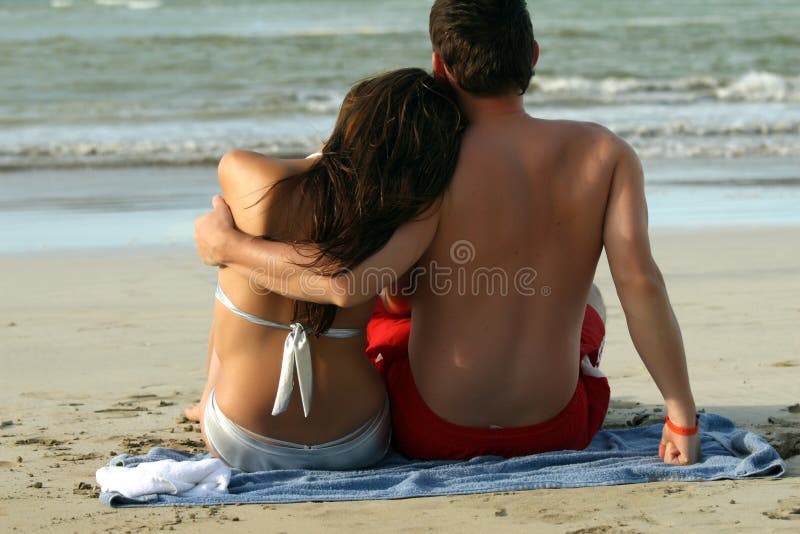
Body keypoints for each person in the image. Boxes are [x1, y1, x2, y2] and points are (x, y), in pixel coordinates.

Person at [194, 0, 701, 465]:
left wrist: (231, 246)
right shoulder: (606, 154)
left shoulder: (428, 160)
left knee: (393, 311)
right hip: (560, 428)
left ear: (440, 65)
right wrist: (681, 418)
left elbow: (362, 286)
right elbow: (641, 284)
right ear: (533, 56)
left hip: (432, 430)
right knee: (591, 297)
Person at [189, 68, 465, 472]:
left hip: (241, 435)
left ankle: (206, 401)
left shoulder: (245, 170)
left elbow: (337, 280)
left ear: (350, 122)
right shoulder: (416, 214)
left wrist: (229, 247)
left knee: (232, 285)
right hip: (358, 441)